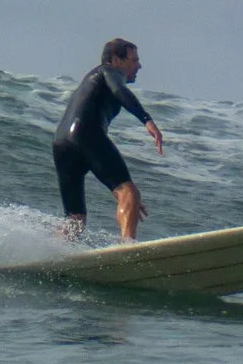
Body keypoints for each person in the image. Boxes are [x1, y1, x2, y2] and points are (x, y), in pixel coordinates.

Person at [52, 37, 163, 241]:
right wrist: (147, 120)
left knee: (75, 219)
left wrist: (128, 203)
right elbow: (120, 91)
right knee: (128, 192)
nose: (139, 65)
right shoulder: (110, 71)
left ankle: (51, 253)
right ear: (116, 59)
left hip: (61, 142)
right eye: (133, 60)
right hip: (86, 133)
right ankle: (127, 249)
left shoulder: (92, 78)